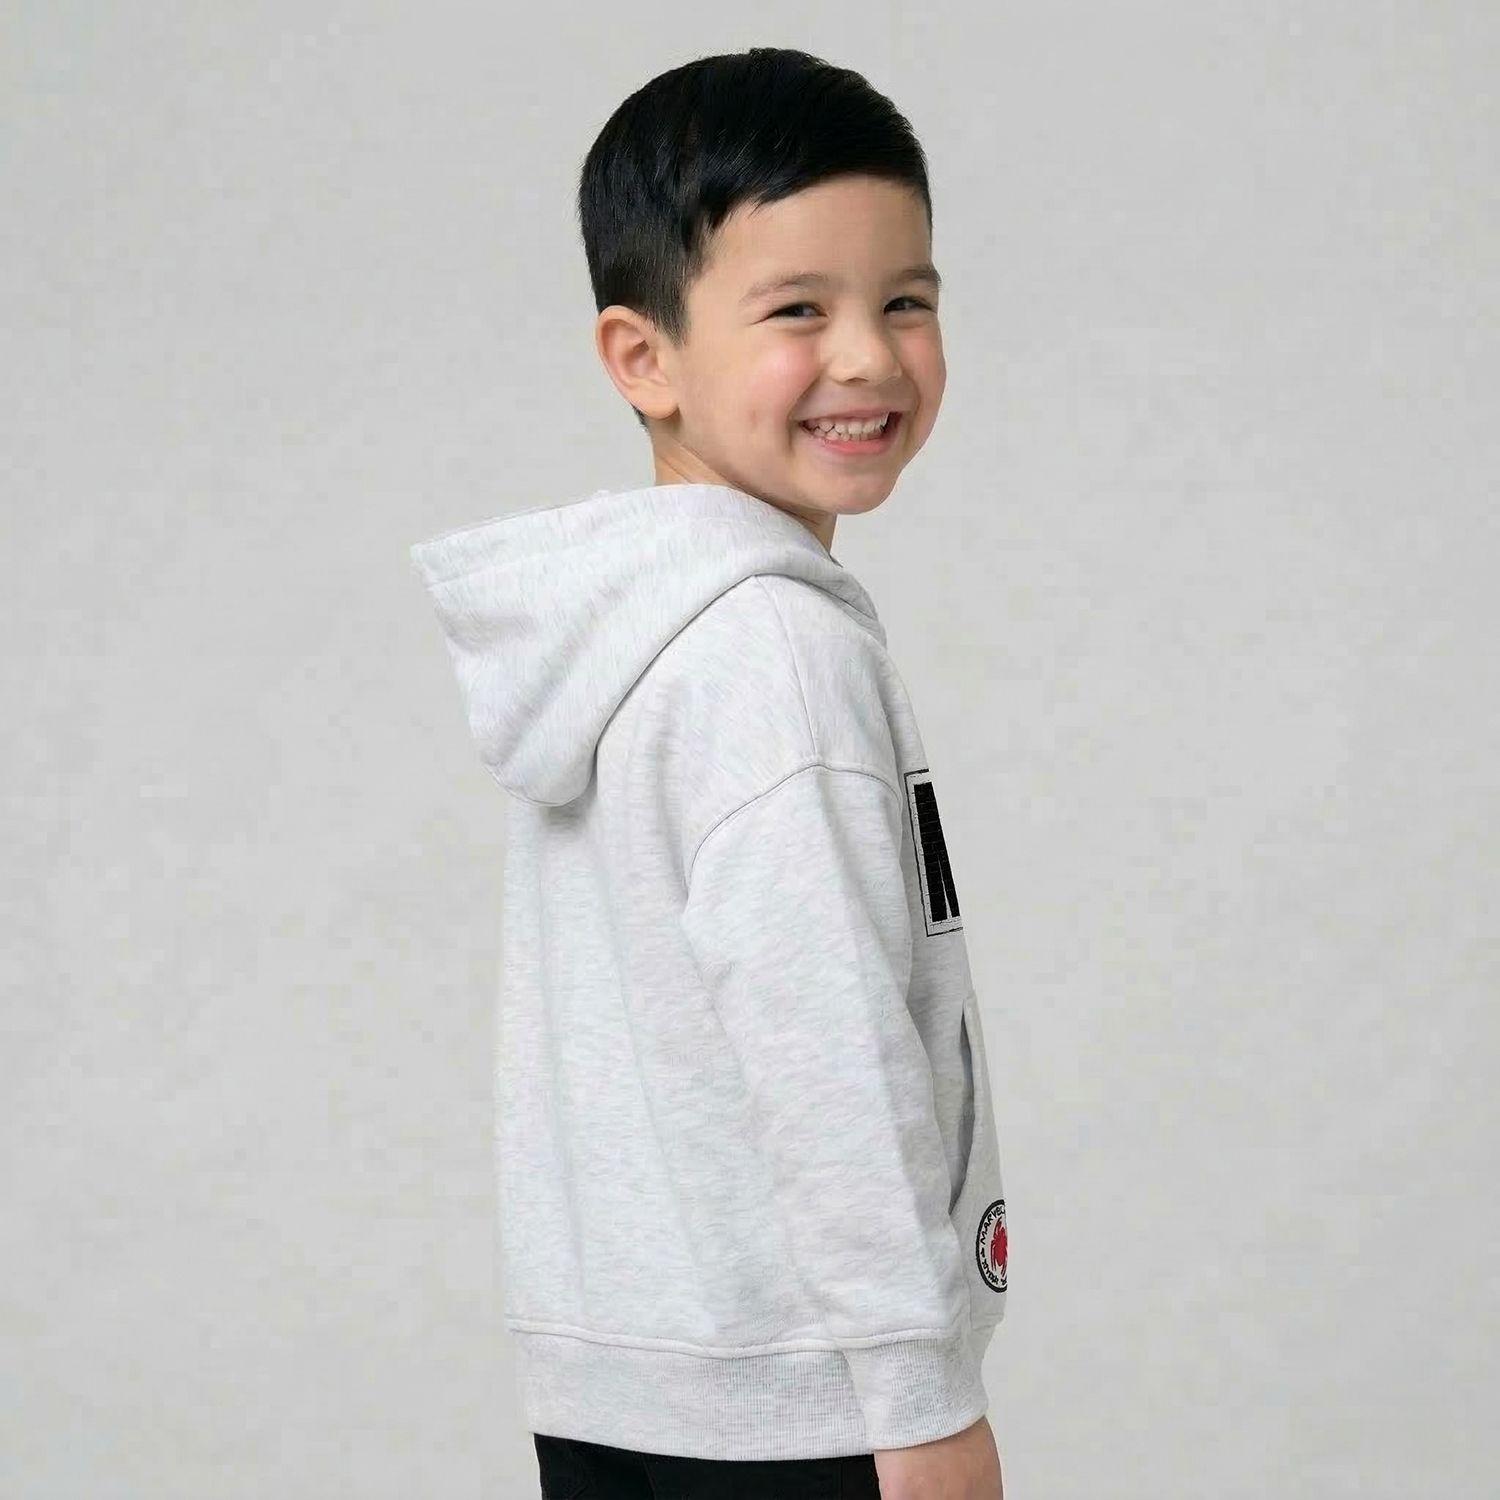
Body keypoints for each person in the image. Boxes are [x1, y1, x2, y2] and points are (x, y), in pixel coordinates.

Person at [409, 46, 1009, 1500]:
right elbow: (830, 1050)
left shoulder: (624, 637)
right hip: (805, 1405)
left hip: (624, 1383)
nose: (868, 357)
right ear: (644, 359)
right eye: (799, 309)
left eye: (905, 301)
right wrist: (923, 1402)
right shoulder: (772, 653)